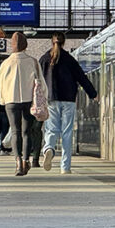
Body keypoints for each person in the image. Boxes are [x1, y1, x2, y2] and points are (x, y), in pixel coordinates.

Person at [40, 32, 97, 174]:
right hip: (69, 100)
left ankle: (48, 149)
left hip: (51, 99)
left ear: (51, 42)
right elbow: (81, 78)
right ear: (63, 43)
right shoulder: (70, 59)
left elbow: (37, 80)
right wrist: (93, 94)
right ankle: (65, 167)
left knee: (52, 129)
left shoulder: (44, 59)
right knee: (66, 133)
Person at [0, 32, 45, 176]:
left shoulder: (5, 63)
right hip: (28, 100)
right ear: (26, 45)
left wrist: (3, 100)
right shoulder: (33, 61)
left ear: (12, 45)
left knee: (15, 131)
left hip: (10, 101)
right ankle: (25, 160)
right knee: (26, 132)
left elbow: (1, 84)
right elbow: (41, 82)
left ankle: (17, 162)